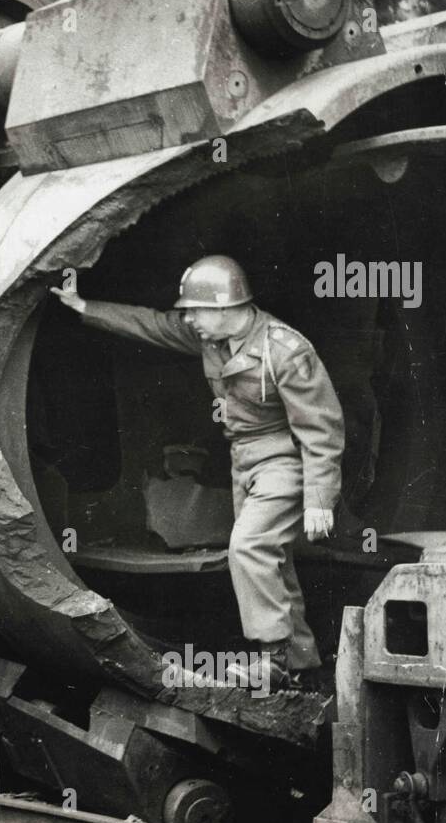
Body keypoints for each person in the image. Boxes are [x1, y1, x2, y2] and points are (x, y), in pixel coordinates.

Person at [51, 254, 345, 692]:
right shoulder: (209, 338)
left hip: (284, 458)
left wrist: (320, 499)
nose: (189, 319)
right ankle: (302, 666)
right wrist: (85, 308)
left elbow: (322, 427)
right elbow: (152, 324)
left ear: (228, 308)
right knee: (273, 560)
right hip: (242, 460)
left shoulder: (286, 350)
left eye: (196, 310)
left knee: (248, 547)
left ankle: (275, 660)